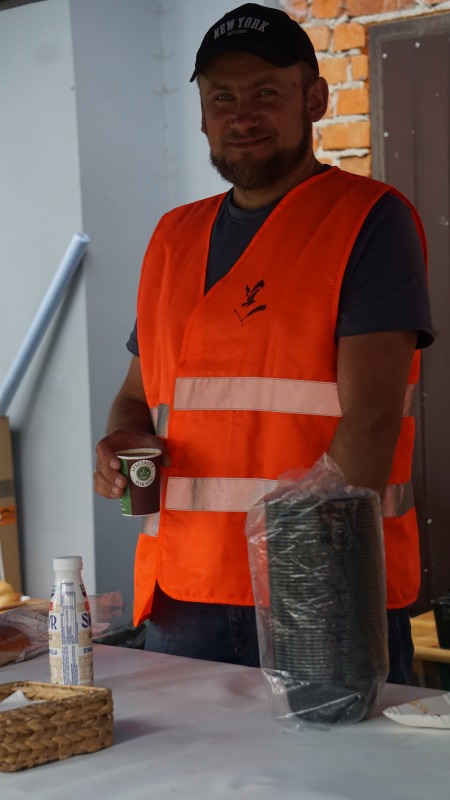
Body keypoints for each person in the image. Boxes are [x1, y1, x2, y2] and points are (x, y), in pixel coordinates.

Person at [94, 3, 434, 684]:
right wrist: (119, 439)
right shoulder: (173, 237)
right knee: (186, 759)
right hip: (182, 595)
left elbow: (370, 420)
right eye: (222, 97)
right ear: (201, 115)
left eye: (265, 92)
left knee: (336, 758)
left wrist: (308, 586)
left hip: (318, 590)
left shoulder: (368, 220)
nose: (241, 115)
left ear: (314, 100)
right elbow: (140, 394)